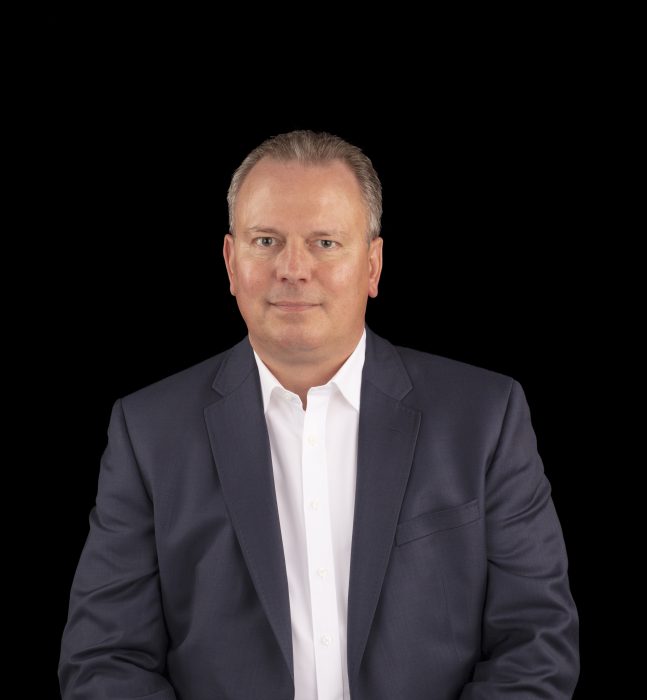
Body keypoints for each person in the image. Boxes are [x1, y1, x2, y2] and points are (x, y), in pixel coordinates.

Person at [59, 130, 580, 699]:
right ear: (231, 262)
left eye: (326, 243)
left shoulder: (486, 418)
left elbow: (536, 641)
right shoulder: (147, 432)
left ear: (373, 265)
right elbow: (105, 661)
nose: (293, 268)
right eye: (266, 240)